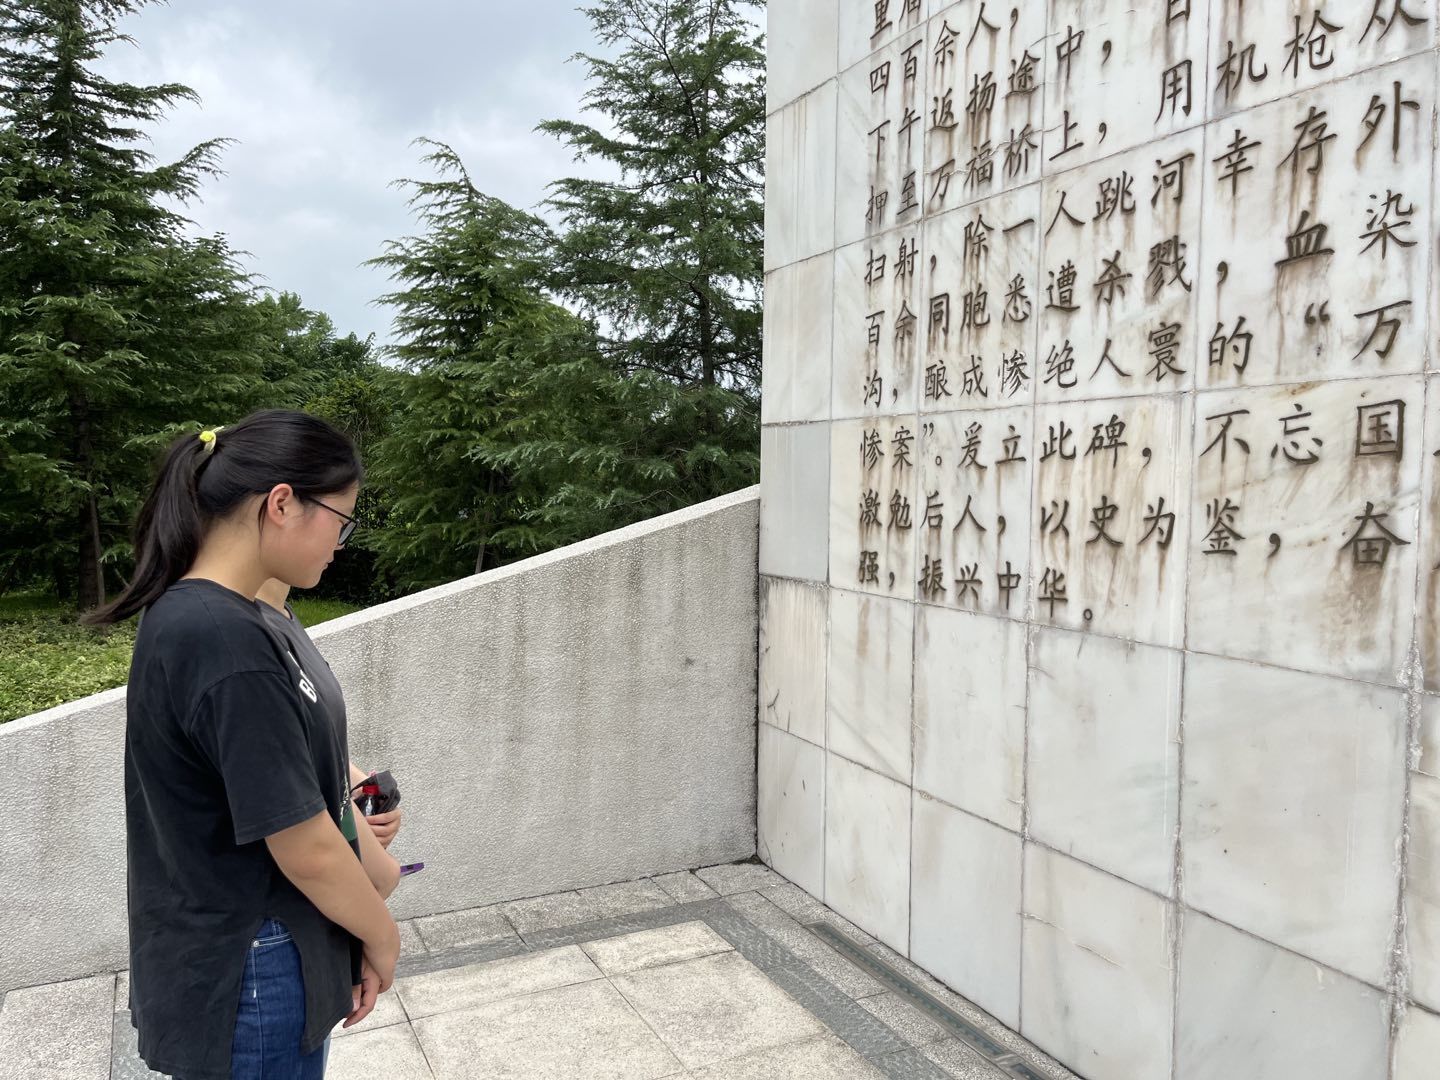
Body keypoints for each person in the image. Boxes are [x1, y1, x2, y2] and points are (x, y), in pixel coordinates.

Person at [86, 410, 402, 1080]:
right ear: (281, 504)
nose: (340, 543)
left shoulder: (212, 614)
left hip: (247, 955)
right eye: (340, 520)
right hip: (253, 967)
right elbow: (306, 849)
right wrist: (383, 936)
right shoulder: (225, 638)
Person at [254, 578, 404, 849]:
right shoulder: (249, 635)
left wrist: (361, 788)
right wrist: (379, 868)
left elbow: (315, 740)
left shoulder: (282, 614)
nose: (336, 554)